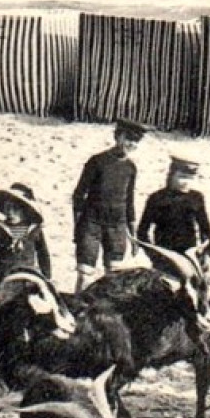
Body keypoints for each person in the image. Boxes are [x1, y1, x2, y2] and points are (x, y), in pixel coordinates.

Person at [71, 119, 146, 291]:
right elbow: (78, 196)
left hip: (117, 227)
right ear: (118, 136)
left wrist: (133, 237)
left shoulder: (130, 168)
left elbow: (130, 202)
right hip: (91, 224)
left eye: (135, 141)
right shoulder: (97, 162)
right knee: (85, 275)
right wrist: (78, 225)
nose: (131, 144)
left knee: (114, 278)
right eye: (128, 138)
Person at [137, 153, 210, 259]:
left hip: (189, 254)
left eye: (190, 178)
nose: (185, 182)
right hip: (164, 254)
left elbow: (205, 229)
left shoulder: (196, 198)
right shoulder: (157, 198)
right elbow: (142, 232)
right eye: (181, 177)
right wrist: (153, 254)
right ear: (171, 175)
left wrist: (204, 252)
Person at [0, 182, 52, 285]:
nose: (10, 212)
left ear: (24, 210)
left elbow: (43, 254)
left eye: (15, 208)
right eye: (7, 208)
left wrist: (47, 276)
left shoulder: (34, 230)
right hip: (3, 276)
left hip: (28, 276)